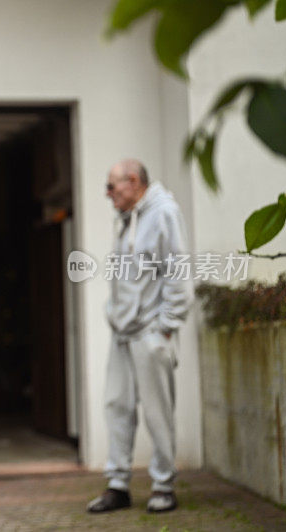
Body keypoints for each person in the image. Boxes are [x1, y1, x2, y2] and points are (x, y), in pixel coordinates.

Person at [87, 159, 193, 514]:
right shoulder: (128, 217)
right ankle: (118, 485)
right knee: (117, 406)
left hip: (151, 331)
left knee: (157, 412)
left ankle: (164, 485)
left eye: (112, 186)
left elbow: (177, 272)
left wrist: (166, 325)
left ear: (133, 181)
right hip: (123, 332)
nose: (108, 194)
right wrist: (114, 315)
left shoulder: (164, 212)